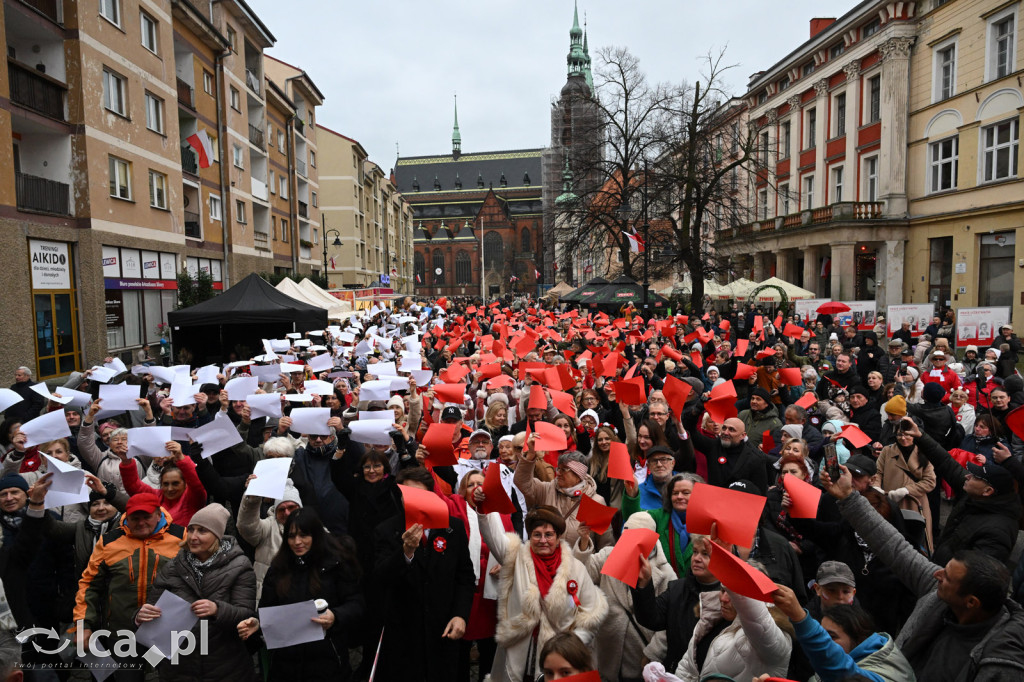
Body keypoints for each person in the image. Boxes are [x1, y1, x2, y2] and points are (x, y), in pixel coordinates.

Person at [821, 461, 1024, 680]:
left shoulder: (1000, 662)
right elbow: (894, 547)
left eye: (946, 578)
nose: (936, 574)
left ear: (971, 602)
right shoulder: (937, 592)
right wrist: (849, 497)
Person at [476, 503, 608, 682]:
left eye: (549, 535)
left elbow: (590, 615)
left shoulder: (575, 568)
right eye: (537, 535)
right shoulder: (516, 558)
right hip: (518, 653)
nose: (543, 540)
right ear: (530, 536)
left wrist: (570, 645)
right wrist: (484, 509)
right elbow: (493, 537)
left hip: (559, 660)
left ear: (558, 536)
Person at [373, 467, 475, 681]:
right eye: (408, 494)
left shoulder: (453, 527)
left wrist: (460, 615)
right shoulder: (386, 530)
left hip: (443, 628)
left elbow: (464, 576)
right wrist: (406, 551)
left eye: (421, 494)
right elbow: (380, 577)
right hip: (404, 633)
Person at [238, 506, 363, 681]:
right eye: (291, 536)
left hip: (327, 663)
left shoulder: (336, 564)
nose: (297, 542)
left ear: (316, 536)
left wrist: (335, 616)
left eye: (304, 535)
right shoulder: (278, 568)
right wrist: (257, 623)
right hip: (285, 665)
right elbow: (268, 609)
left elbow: (356, 604)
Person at [137, 503, 257, 682]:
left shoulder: (240, 567)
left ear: (217, 535)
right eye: (191, 529)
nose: (193, 536)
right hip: (178, 669)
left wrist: (217, 609)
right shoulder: (172, 567)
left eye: (202, 531)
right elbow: (153, 610)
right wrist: (140, 616)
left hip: (226, 667)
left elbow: (246, 615)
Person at [73, 491, 186, 675]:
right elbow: (89, 584)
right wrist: (82, 626)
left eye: (147, 517)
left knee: (168, 676)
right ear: (126, 516)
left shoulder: (181, 537)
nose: (141, 523)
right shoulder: (110, 541)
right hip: (122, 633)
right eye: (135, 518)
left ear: (159, 514)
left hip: (167, 632)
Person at [902, 418, 1021, 565]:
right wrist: (920, 436)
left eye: (975, 476)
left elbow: (975, 575)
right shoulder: (975, 494)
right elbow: (946, 462)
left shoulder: (997, 532)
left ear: (987, 491)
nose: (968, 476)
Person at [574, 511, 674, 682]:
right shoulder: (608, 555)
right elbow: (582, 574)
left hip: (640, 651)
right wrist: (584, 543)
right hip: (608, 647)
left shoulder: (666, 573)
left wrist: (653, 653)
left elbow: (670, 620)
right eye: (625, 535)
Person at [672, 551, 794, 681]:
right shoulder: (710, 618)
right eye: (723, 590)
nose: (724, 599)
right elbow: (687, 669)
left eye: (733, 593)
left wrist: (732, 570)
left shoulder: (773, 635)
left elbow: (757, 620)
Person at [772, 585, 915, 682]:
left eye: (832, 637)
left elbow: (843, 672)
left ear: (859, 637)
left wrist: (800, 618)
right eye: (822, 633)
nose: (825, 641)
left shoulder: (884, 674)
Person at [874, 426, 937, 553]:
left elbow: (930, 481)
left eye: (907, 435)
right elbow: (878, 472)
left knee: (916, 542)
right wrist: (876, 487)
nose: (903, 438)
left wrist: (907, 490)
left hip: (915, 502)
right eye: (899, 435)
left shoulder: (924, 452)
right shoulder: (887, 450)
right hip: (890, 501)